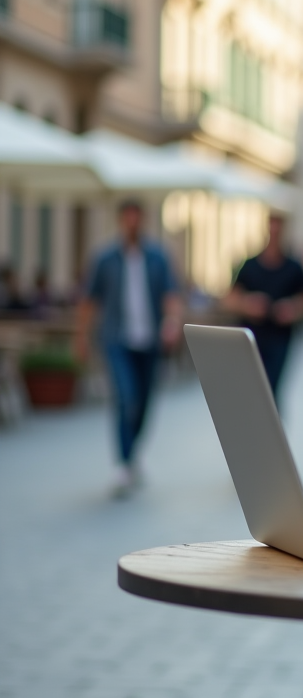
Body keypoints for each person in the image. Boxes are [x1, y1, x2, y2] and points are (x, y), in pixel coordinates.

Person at [74, 200, 183, 497]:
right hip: (116, 339)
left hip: (149, 341)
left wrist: (172, 322)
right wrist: (81, 337)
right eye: (127, 218)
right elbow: (90, 300)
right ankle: (123, 463)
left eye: (137, 218)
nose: (132, 223)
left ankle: (132, 453)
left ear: (143, 220)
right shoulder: (105, 258)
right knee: (125, 396)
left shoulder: (157, 257)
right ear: (121, 220)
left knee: (145, 401)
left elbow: (171, 295)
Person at [223, 213, 303, 400]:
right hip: (251, 337)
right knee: (253, 389)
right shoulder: (250, 266)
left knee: (273, 389)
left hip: (281, 337)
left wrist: (293, 308)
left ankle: (272, 426)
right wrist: (248, 304)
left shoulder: (293, 267)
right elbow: (230, 299)